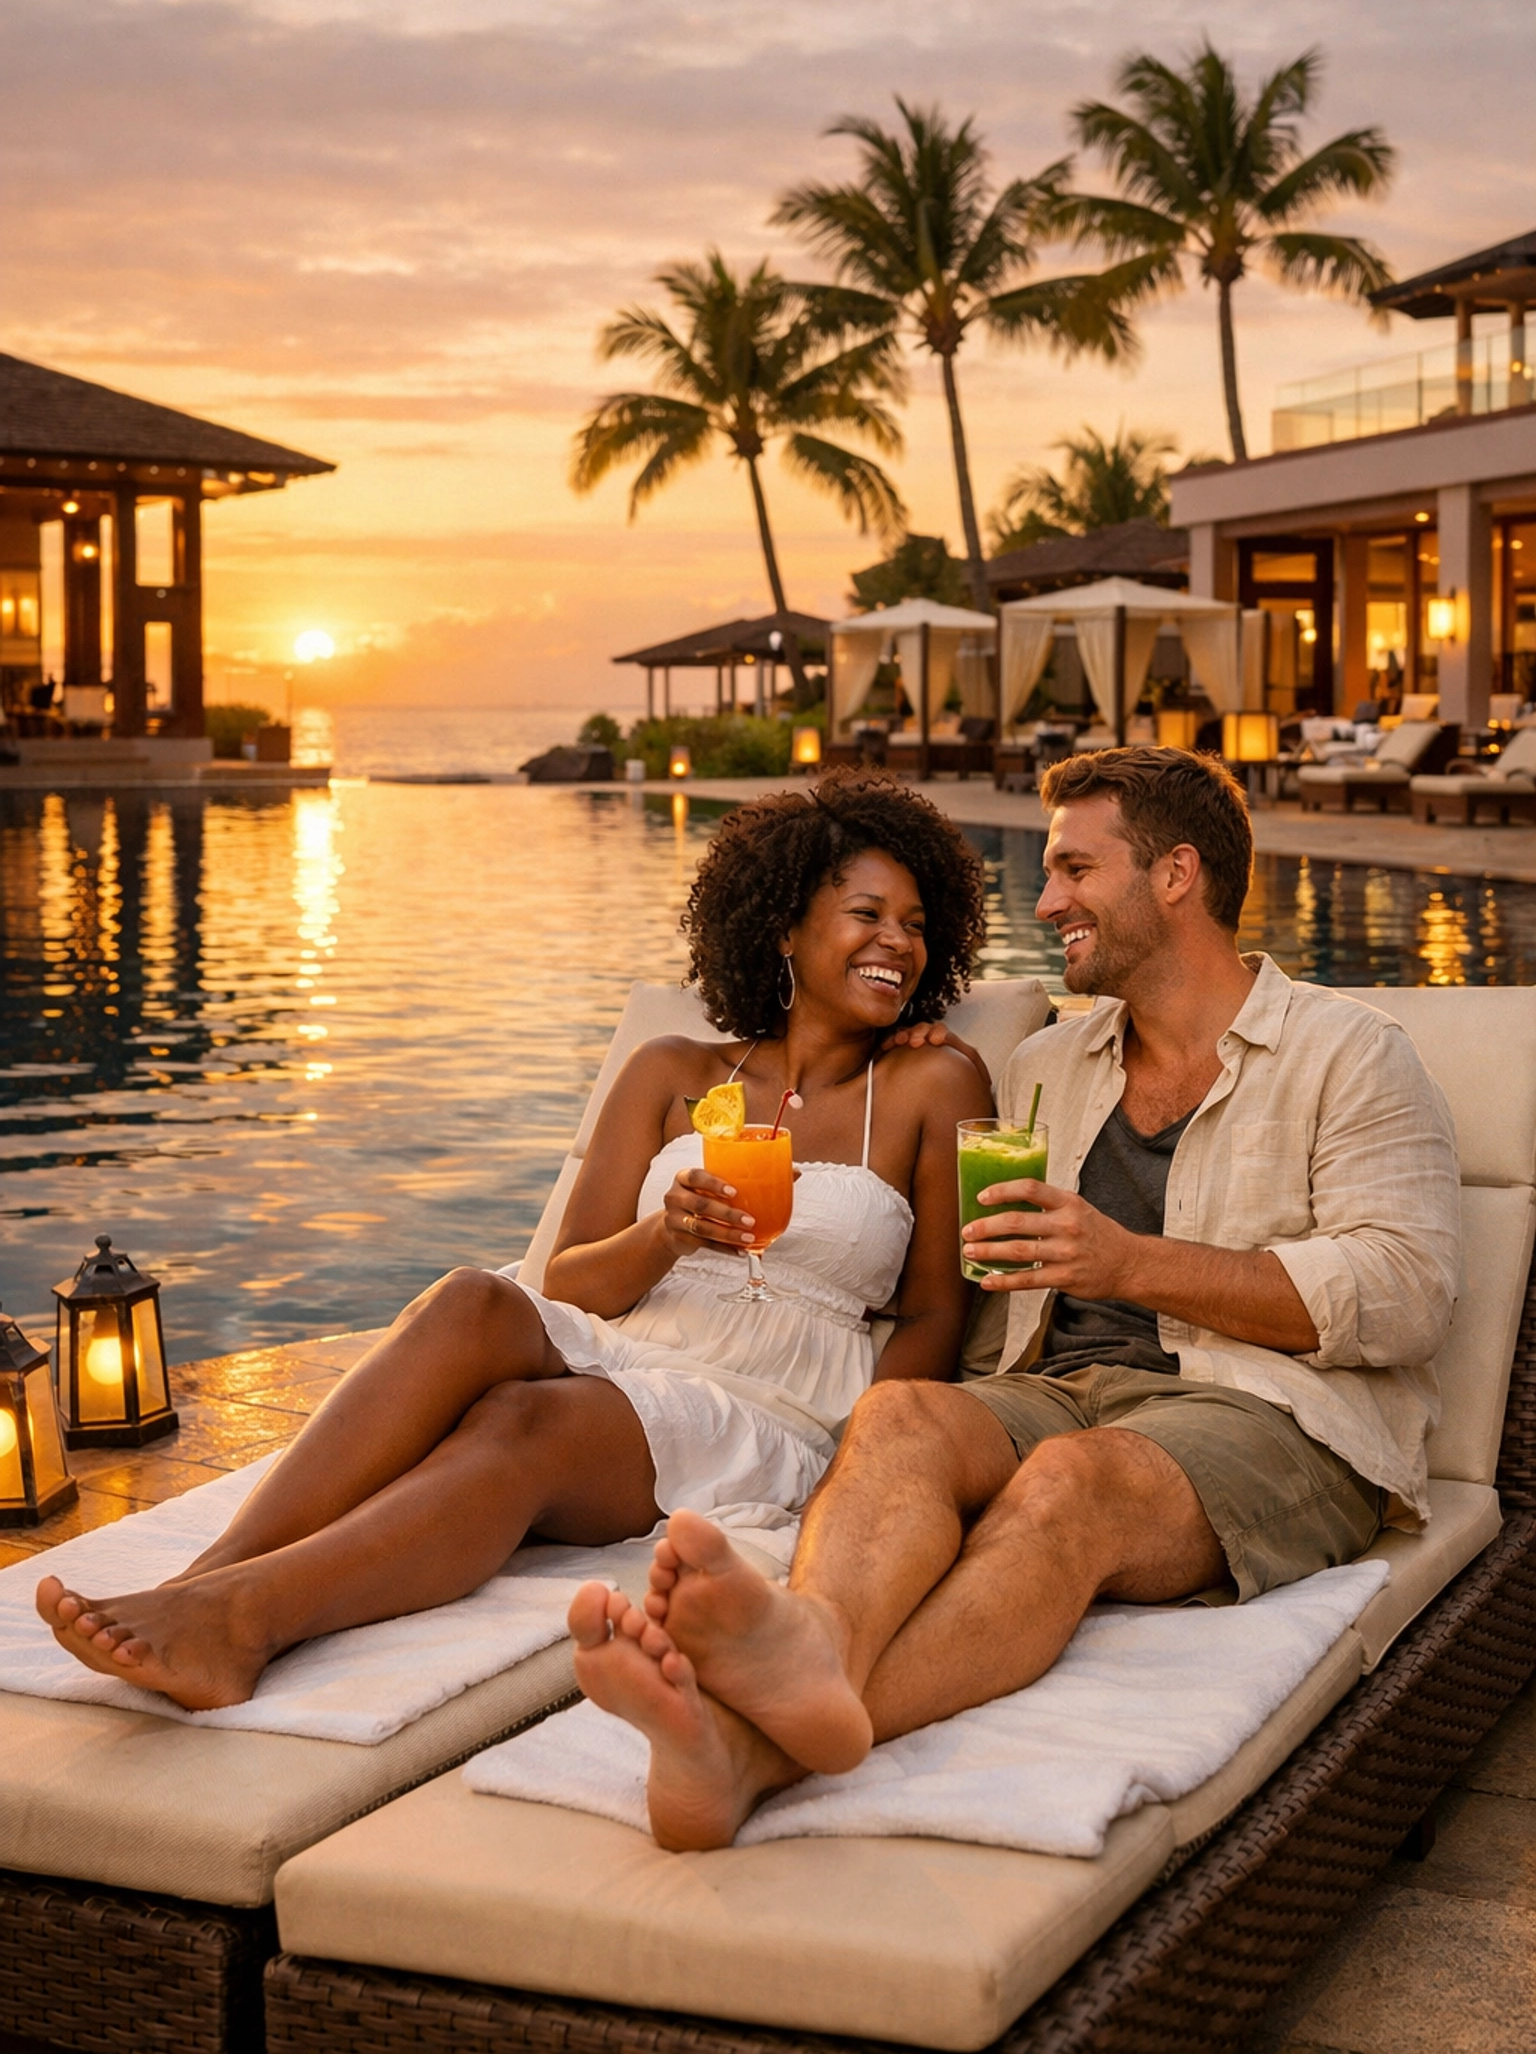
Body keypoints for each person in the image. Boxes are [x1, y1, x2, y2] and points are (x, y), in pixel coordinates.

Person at [570, 746, 1463, 1850]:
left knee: (1071, 1483)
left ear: (1175, 875)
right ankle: (807, 1649)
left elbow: (1407, 1292)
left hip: (1266, 1411)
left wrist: (1131, 1263)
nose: (1045, 904)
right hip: (1051, 1385)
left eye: (1074, 871)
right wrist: (885, 1049)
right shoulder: (1047, 1064)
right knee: (899, 1418)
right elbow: (943, 1267)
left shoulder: (1350, 1055)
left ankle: (754, 1753)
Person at [37, 776, 993, 1711]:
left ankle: (240, 1625)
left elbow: (936, 1312)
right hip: (639, 1339)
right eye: (867, 914)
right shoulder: (671, 1071)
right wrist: (666, 1235)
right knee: (471, 1298)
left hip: (781, 1402)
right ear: (784, 927)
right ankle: (203, 1579)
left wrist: (855, 1466)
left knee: (521, 1423)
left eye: (914, 924)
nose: (896, 944)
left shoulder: (934, 1084)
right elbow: (568, 1283)